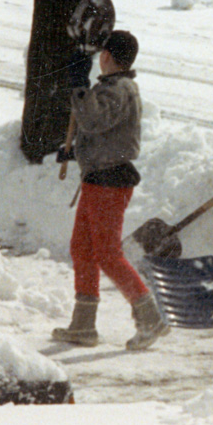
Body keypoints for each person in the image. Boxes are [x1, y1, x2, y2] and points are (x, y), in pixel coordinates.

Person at [53, 30, 169, 351]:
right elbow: (101, 131)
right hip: (98, 178)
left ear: (106, 56)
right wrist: (76, 151)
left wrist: (79, 86)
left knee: (107, 253)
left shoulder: (119, 90)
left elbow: (92, 120)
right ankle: (83, 324)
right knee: (82, 248)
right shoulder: (112, 88)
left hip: (109, 182)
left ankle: (149, 317)